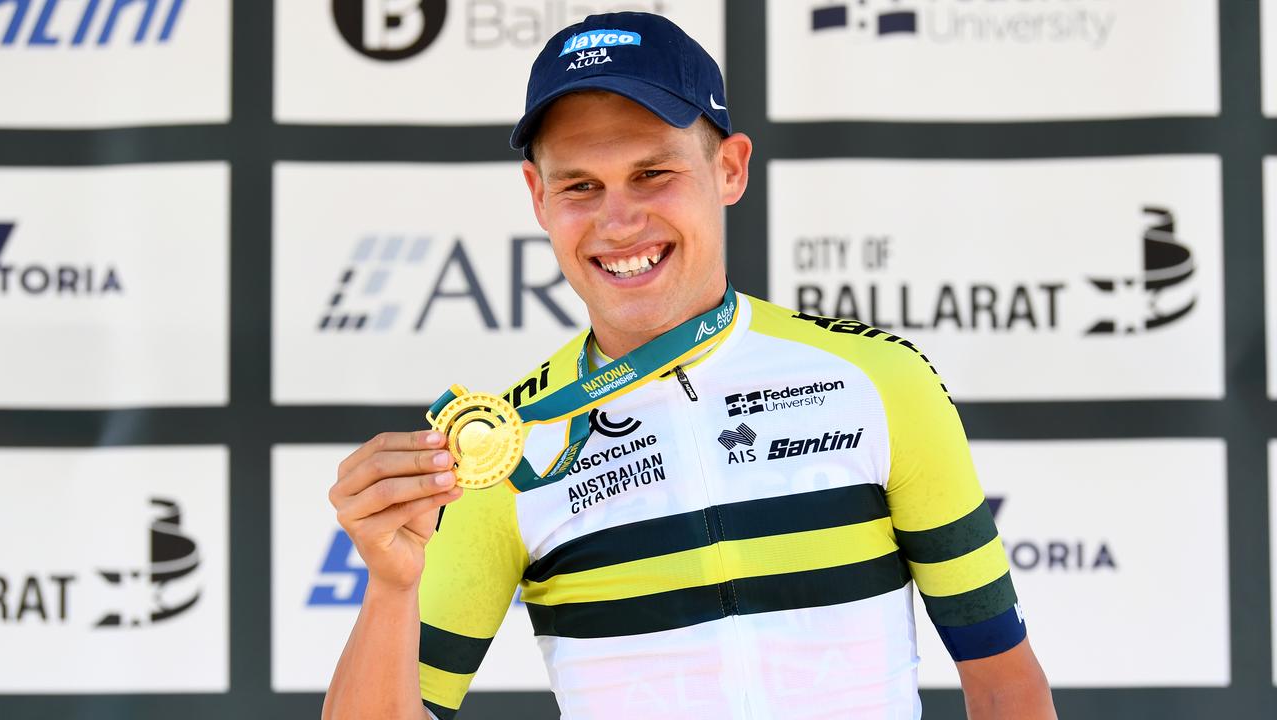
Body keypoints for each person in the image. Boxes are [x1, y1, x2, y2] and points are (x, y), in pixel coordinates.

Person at [323, 11, 1056, 720]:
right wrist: (390, 586)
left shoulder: (879, 381)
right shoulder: (509, 450)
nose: (619, 221)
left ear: (729, 168)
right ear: (538, 197)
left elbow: (1005, 687)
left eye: (652, 173)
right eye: (581, 185)